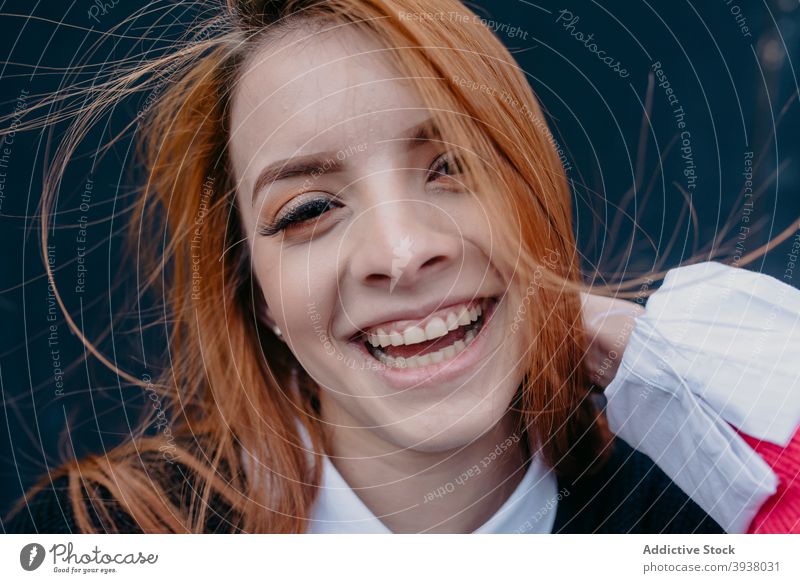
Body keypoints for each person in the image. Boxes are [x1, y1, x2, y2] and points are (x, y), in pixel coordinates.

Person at [5, 0, 799, 534]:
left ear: (535, 193)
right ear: (258, 289)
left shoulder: (704, 515)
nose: (401, 251)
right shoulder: (94, 537)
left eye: (453, 164)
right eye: (308, 210)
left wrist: (679, 366)